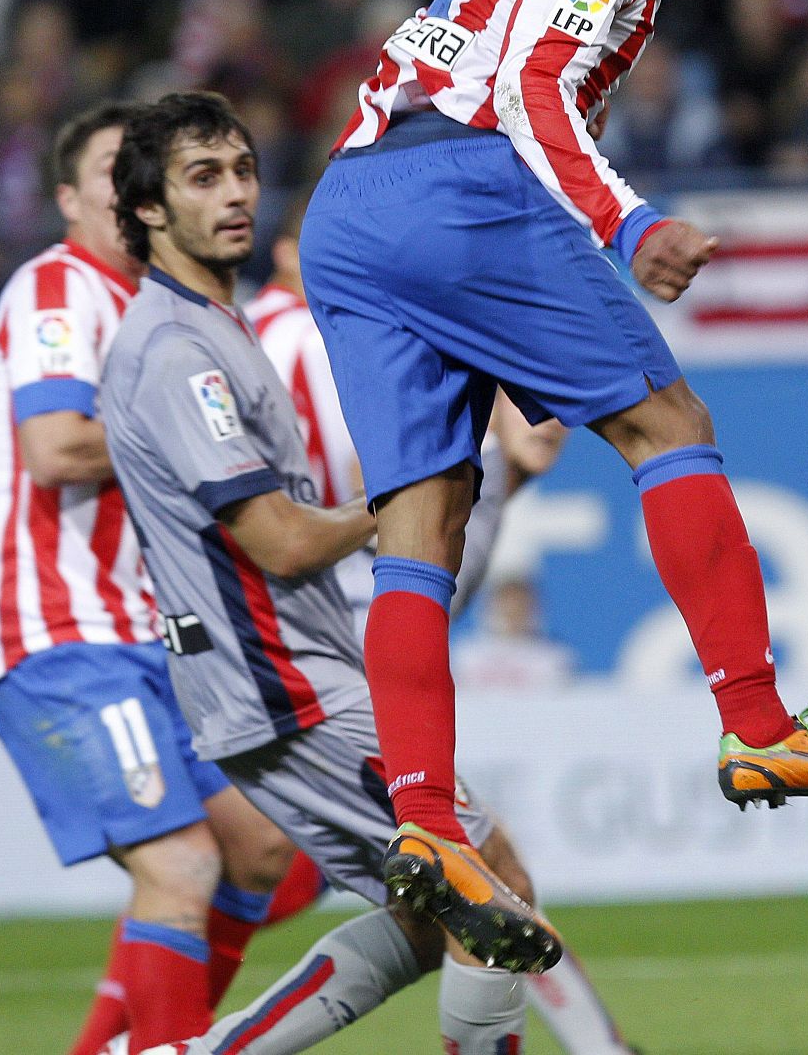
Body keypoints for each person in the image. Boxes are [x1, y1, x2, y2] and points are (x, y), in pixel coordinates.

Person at [299, 0, 808, 973]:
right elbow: (530, 86)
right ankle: (755, 719)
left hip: (352, 206)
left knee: (428, 522)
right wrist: (631, 224)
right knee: (667, 420)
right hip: (461, 184)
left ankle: (424, 821)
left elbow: (502, 58)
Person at [103, 90, 563, 1055]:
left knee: (442, 913)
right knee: (490, 888)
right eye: (201, 178)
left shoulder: (214, 327)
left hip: (296, 674)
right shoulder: (177, 353)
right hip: (281, 685)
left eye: (240, 171)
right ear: (149, 209)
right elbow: (276, 541)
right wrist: (410, 496)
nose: (234, 194)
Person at [246, 197, 639, 1055]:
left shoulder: (488, 471)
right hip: (329, 668)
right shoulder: (370, 378)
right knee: (484, 889)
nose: (553, 425)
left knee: (465, 898)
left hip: (332, 668)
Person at [0, 103, 302, 1054]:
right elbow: (54, 447)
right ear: (69, 200)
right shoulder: (59, 289)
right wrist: (204, 451)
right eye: (110, 171)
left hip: (155, 633)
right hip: (58, 628)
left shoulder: (170, 310)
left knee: (263, 847)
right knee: (179, 862)